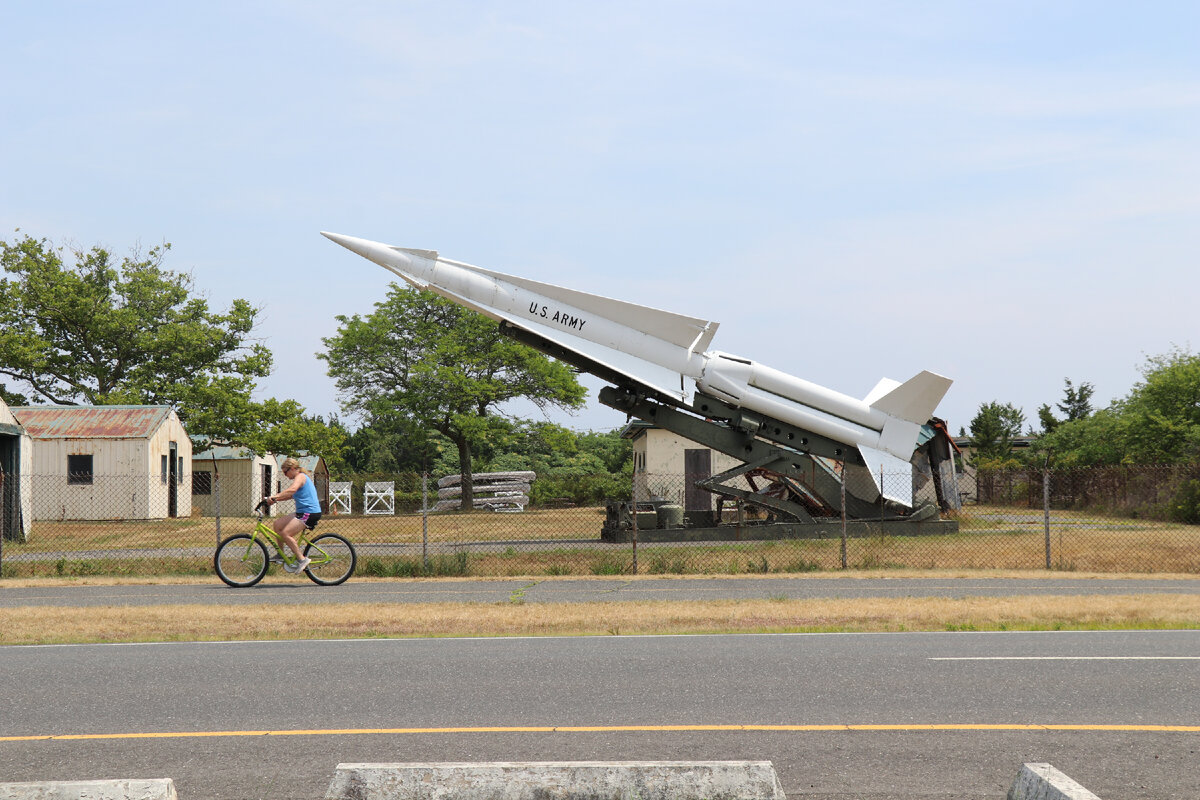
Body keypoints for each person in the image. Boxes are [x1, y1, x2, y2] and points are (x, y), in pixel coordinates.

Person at [265, 457, 321, 572]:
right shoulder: (298, 477)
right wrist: (275, 500)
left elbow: (292, 490)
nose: (285, 475)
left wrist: (275, 496)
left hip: (309, 513)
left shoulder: (300, 477)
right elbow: (290, 495)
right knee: (277, 524)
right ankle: (280, 555)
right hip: (302, 512)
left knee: (286, 533)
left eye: (285, 472)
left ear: (293, 469)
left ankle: (302, 559)